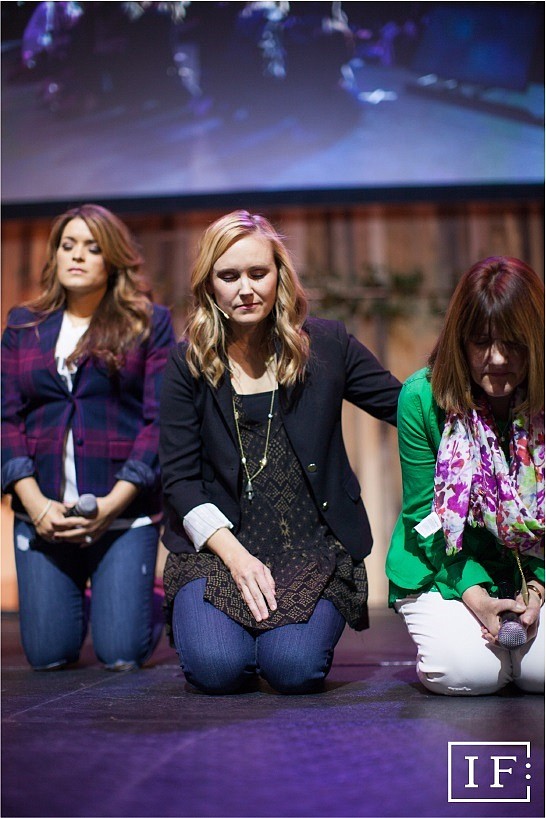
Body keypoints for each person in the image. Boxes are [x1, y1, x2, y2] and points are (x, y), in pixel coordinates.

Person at [159, 209, 401, 695]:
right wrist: (236, 556)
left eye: (258, 273)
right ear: (210, 285)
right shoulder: (186, 362)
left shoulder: (327, 344)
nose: (245, 288)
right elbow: (180, 482)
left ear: (279, 276)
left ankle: (271, 642)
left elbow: (403, 404)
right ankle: (231, 637)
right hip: (219, 551)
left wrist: (467, 385)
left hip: (312, 549)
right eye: (229, 276)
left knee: (293, 669)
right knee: (217, 669)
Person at [1, 203, 175, 671]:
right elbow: (6, 419)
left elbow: (159, 421)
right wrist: (34, 505)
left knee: (121, 654)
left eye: (92, 248)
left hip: (122, 514)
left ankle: (145, 597)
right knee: (49, 656)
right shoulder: (23, 325)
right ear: (55, 255)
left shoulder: (149, 323)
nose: (76, 256)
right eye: (67, 244)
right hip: (44, 517)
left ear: (113, 259)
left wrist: (115, 503)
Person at [386, 256, 544, 696]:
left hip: (538, 564)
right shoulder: (420, 397)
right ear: (460, 342)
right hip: (444, 563)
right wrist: (475, 595)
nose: (496, 360)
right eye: (481, 343)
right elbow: (425, 516)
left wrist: (537, 588)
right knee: (467, 674)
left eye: (512, 344)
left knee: (540, 673)